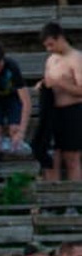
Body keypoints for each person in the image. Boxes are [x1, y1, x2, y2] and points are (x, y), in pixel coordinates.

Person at [41, 23, 82, 180]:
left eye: (51, 44)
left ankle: (74, 201)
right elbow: (48, 80)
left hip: (73, 110)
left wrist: (59, 83)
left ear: (60, 38)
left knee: (72, 158)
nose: (49, 49)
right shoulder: (51, 60)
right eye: (46, 46)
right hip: (54, 112)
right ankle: (54, 200)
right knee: (52, 156)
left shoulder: (76, 58)